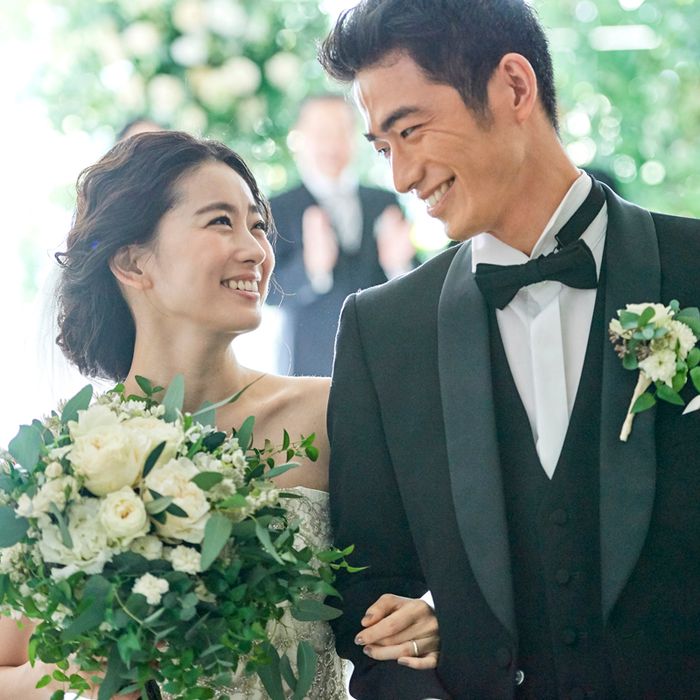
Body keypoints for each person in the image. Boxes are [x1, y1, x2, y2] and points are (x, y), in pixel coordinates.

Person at [319, 1, 700, 698]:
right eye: (383, 148)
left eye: (410, 131)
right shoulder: (383, 332)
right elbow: (366, 601)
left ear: (514, 88)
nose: (401, 176)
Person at [0, 131, 439, 698]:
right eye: (220, 222)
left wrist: (426, 625)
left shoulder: (330, 416)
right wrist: (82, 678)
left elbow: (401, 594)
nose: (256, 250)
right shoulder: (63, 463)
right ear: (132, 262)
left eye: (257, 225)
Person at [268, 94, 415, 376]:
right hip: (309, 368)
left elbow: (414, 287)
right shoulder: (277, 208)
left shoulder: (384, 202)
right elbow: (268, 294)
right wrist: (311, 269)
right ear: (299, 138)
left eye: (342, 131)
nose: (332, 143)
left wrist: (400, 266)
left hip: (382, 361)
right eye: (322, 133)